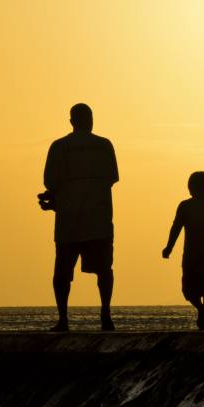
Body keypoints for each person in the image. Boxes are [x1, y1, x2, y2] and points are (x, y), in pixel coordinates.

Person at [40, 103, 119, 332]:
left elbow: (50, 182)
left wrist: (56, 198)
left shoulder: (59, 147)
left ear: (71, 121)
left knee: (63, 271)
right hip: (99, 218)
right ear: (91, 119)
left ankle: (63, 318)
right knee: (104, 269)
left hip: (69, 220)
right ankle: (105, 313)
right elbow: (111, 178)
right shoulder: (104, 146)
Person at [162, 171, 204, 330]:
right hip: (192, 256)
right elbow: (176, 227)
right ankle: (203, 311)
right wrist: (169, 247)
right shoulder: (185, 206)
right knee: (188, 290)